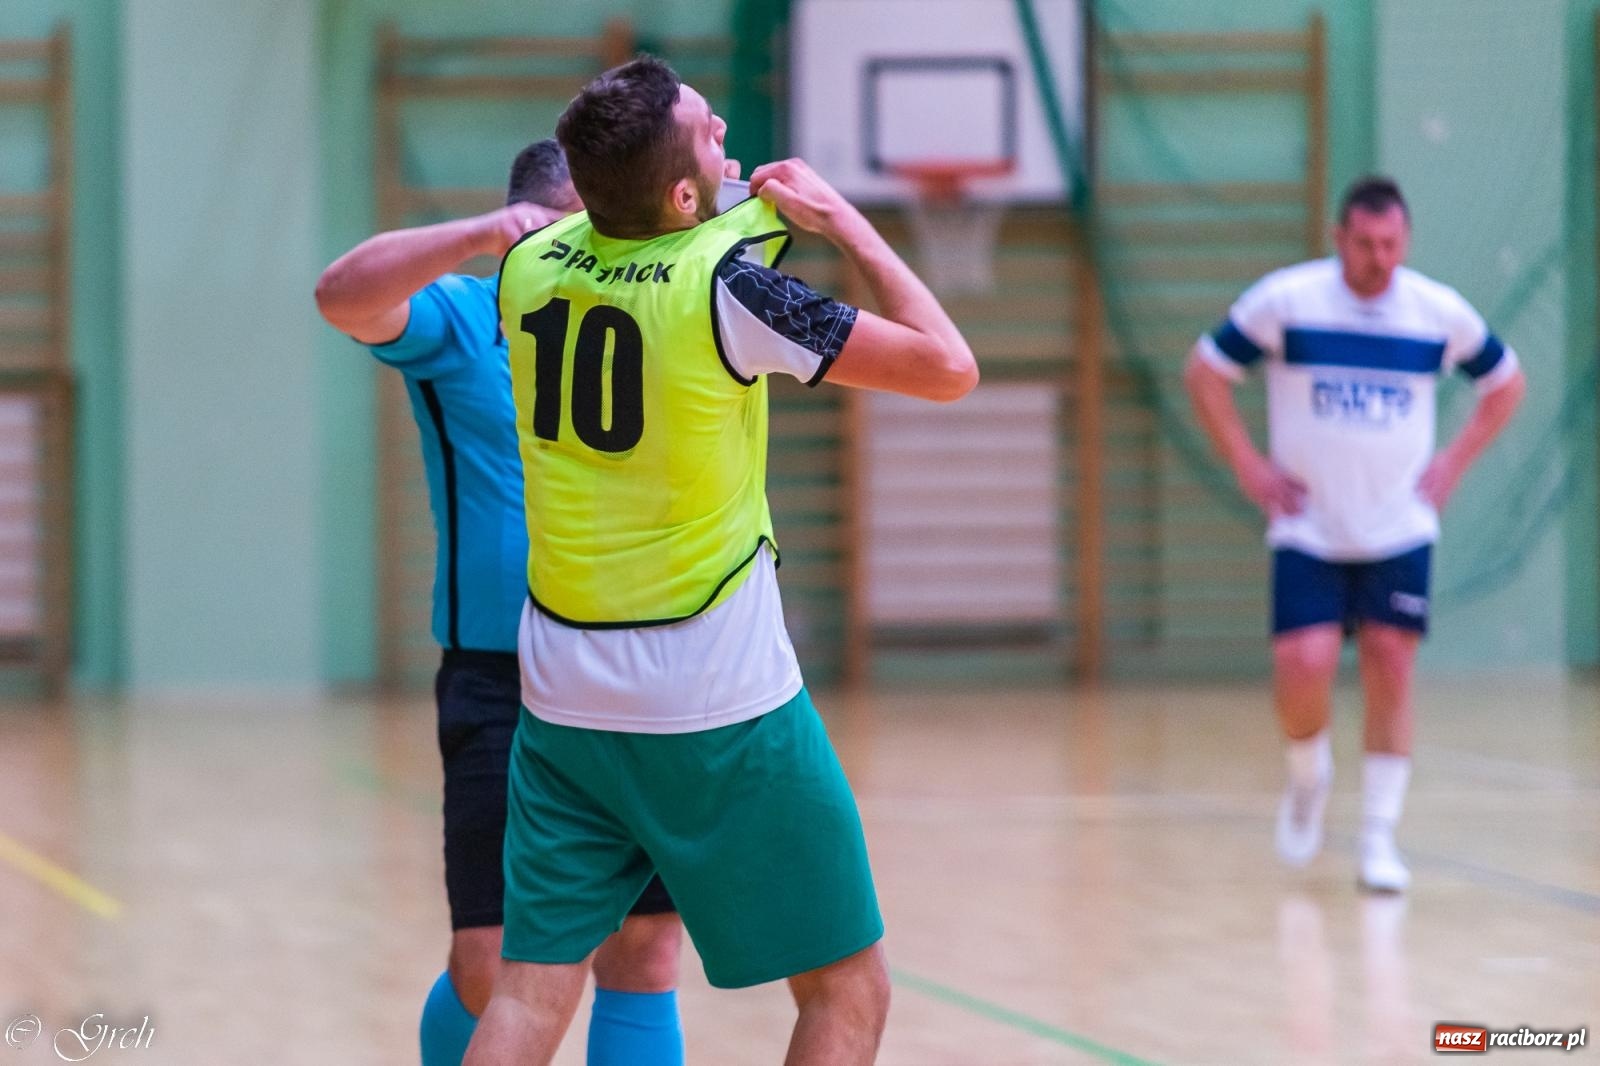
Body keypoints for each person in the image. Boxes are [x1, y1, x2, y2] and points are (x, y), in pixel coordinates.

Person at [467, 57, 977, 1066]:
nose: (726, 131)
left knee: (529, 997)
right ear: (683, 192)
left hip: (562, 691)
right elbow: (946, 366)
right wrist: (845, 225)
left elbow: (678, 227)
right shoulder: (731, 293)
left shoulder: (528, 269)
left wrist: (733, 197)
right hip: (712, 696)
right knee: (846, 986)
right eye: (709, 130)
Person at [314, 140, 687, 1066]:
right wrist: (479, 235)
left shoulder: (650, 323)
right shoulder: (467, 319)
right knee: (491, 963)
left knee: (643, 947)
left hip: (631, 669)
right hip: (500, 676)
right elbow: (342, 298)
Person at [1184, 175, 1525, 892]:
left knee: (1391, 664)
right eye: (1366, 244)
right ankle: (1308, 779)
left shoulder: (1434, 312)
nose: (1380, 258)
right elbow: (1206, 371)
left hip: (1397, 526)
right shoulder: (1287, 300)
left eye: (1392, 244)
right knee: (1303, 667)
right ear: (1340, 239)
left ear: (1406, 242)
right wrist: (1248, 463)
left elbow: (1505, 383)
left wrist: (1454, 461)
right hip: (1308, 527)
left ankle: (1378, 837)